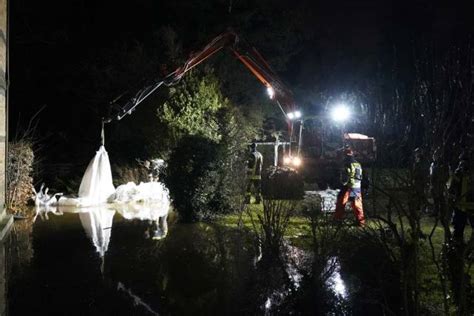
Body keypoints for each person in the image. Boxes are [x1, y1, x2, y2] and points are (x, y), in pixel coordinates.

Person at [334, 148, 365, 226]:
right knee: (357, 206)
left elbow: (345, 176)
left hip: (348, 186)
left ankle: (337, 220)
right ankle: (361, 222)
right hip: (357, 187)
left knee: (341, 203)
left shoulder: (346, 163)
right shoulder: (357, 163)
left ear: (345, 155)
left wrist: (341, 183)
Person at [448, 150, 474, 243]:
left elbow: (450, 189)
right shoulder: (458, 173)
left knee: (458, 228)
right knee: (458, 229)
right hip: (461, 206)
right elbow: (451, 189)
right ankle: (458, 245)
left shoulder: (459, 173)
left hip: (464, 205)